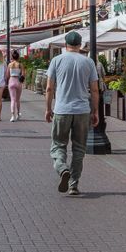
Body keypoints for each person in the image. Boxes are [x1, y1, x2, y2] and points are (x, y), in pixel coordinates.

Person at [45, 31, 100, 196]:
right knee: (79, 149)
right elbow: (95, 90)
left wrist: (48, 108)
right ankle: (73, 185)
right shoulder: (88, 62)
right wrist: (95, 111)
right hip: (82, 110)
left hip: (62, 110)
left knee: (58, 146)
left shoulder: (56, 60)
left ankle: (62, 168)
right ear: (80, 45)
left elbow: (49, 88)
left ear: (65, 44)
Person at [6, 51, 24, 122]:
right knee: (17, 100)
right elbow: (23, 74)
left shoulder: (10, 65)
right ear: (18, 57)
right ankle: (18, 115)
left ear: (12, 57)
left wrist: (6, 82)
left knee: (12, 100)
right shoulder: (20, 65)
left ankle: (12, 116)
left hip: (11, 81)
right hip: (18, 81)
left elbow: (7, 75)